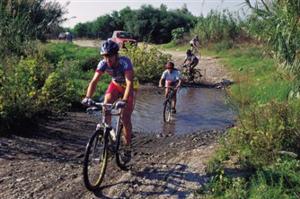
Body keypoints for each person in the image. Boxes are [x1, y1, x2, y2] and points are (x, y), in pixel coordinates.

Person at [82, 40, 134, 162]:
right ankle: (108, 135)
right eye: (105, 56)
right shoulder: (103, 64)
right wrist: (88, 97)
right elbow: (94, 81)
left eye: (109, 56)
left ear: (116, 55)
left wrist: (124, 100)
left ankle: (127, 148)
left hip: (128, 87)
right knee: (106, 106)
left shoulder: (124, 62)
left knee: (125, 118)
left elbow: (130, 82)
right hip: (115, 85)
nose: (107, 59)